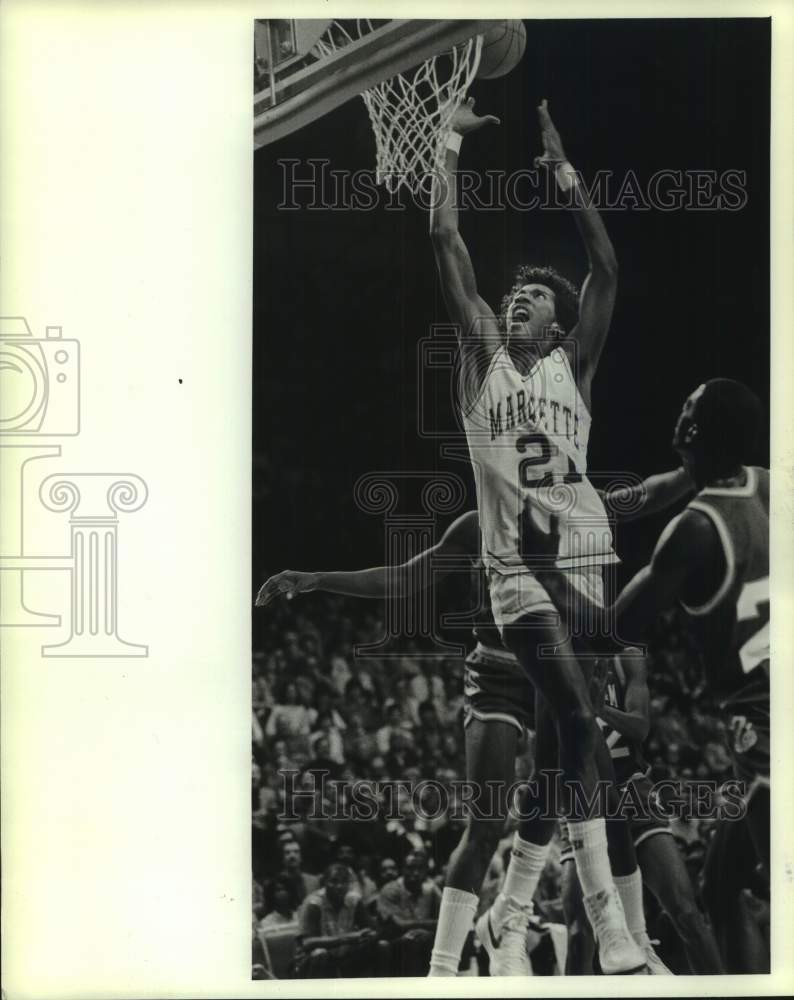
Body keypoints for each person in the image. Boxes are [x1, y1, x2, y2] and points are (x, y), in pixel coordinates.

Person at [256, 467, 692, 974]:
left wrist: (696, 472)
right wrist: (316, 580)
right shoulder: (478, 525)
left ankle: (612, 936)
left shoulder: (578, 508)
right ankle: (442, 969)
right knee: (485, 822)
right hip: (496, 672)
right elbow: (405, 575)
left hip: (554, 669)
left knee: (591, 794)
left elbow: (643, 495)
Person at [427, 92, 648, 975]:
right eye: (511, 294)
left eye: (530, 298)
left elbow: (606, 265)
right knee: (576, 714)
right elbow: (446, 246)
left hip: (586, 560)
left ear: (556, 325)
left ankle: (515, 909)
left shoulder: (574, 364)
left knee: (571, 744)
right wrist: (444, 140)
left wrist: (563, 168)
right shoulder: (484, 355)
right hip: (517, 572)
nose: (515, 301)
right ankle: (603, 916)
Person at [526, 377, 769, 972]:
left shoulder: (693, 529)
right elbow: (643, 495)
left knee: (741, 888)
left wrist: (547, 575)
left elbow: (612, 628)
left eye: (687, 407)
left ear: (693, 431)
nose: (677, 411)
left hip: (763, 729)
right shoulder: (772, 482)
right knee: (715, 886)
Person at [558, 654, 723, 973]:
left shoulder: (626, 656)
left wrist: (599, 708)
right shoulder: (553, 649)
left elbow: (641, 727)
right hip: (582, 797)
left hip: (631, 786)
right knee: (580, 932)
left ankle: (719, 988)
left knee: (686, 911)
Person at [294, 862, 385, 978]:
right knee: (320, 954)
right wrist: (348, 938)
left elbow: (373, 929)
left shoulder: (354, 899)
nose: (339, 886)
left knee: (382, 945)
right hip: (310, 963)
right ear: (324, 883)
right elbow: (307, 943)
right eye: (334, 881)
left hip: (344, 958)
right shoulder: (313, 903)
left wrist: (370, 935)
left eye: (344, 882)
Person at [377, 853, 442, 975]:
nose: (415, 873)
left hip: (425, 938)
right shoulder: (391, 889)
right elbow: (400, 924)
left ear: (426, 871)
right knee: (413, 941)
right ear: (403, 869)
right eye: (411, 868)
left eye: (420, 869)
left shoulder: (430, 889)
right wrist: (429, 926)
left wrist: (424, 930)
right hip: (395, 940)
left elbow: (446, 920)